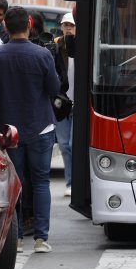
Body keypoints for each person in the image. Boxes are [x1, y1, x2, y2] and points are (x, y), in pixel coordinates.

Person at [0, 6, 60, 254]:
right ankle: (41, 238)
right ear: (29, 26)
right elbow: (53, 87)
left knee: (13, 183)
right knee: (40, 182)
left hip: (10, 129)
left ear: (5, 27)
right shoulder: (42, 55)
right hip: (40, 124)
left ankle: (14, 238)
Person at [55, 12, 76, 197]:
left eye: (72, 25)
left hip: (79, 103)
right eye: (65, 25)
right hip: (62, 103)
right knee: (64, 145)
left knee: (73, 143)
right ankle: (70, 183)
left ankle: (77, 182)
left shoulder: (84, 46)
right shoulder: (56, 47)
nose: (68, 28)